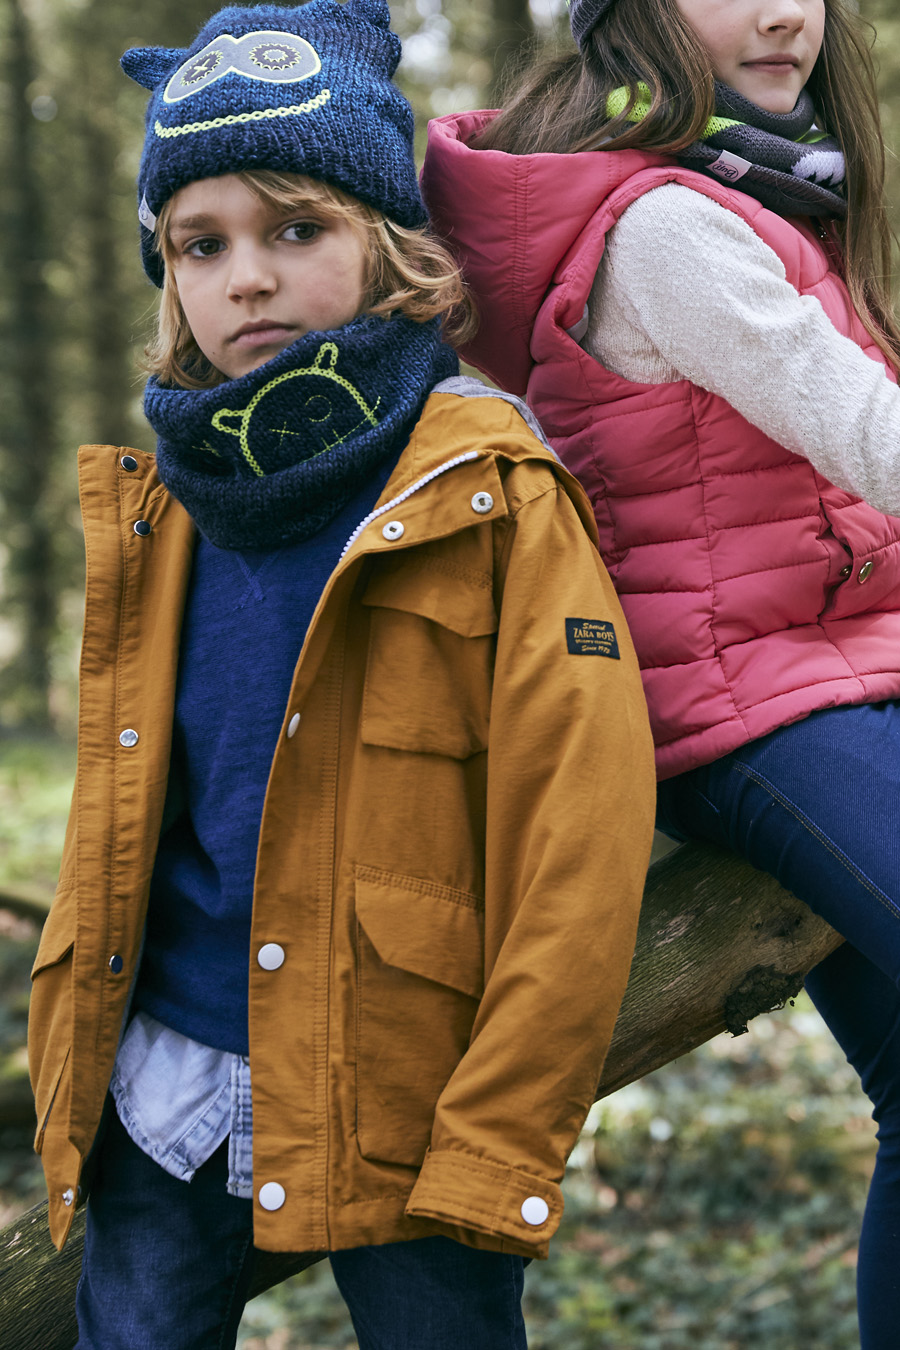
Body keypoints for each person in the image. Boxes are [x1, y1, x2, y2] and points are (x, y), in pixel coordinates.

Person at [26, 3, 656, 1347]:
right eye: (203, 245)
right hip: (171, 1075)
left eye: (294, 228)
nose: (245, 277)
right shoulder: (163, 509)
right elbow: (127, 810)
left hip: (409, 1082)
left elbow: (578, 838)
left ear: (390, 242)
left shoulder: (486, 485)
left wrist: (503, 1133)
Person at [420, 0, 900, 1344]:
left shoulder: (754, 188)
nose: (783, 10)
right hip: (744, 707)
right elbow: (868, 435)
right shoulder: (668, 229)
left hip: (830, 671)